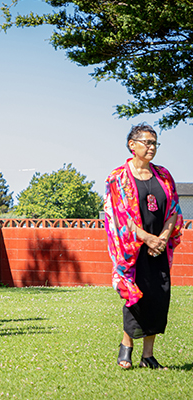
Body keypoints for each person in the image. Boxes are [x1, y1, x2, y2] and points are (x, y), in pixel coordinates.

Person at [104, 123, 183, 370]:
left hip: (159, 248)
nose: (151, 147)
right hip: (132, 250)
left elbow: (174, 210)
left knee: (158, 298)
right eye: (147, 142)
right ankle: (126, 347)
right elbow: (117, 215)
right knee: (135, 297)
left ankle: (148, 355)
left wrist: (161, 238)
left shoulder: (164, 175)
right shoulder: (118, 177)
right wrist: (145, 238)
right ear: (132, 145)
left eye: (154, 143)